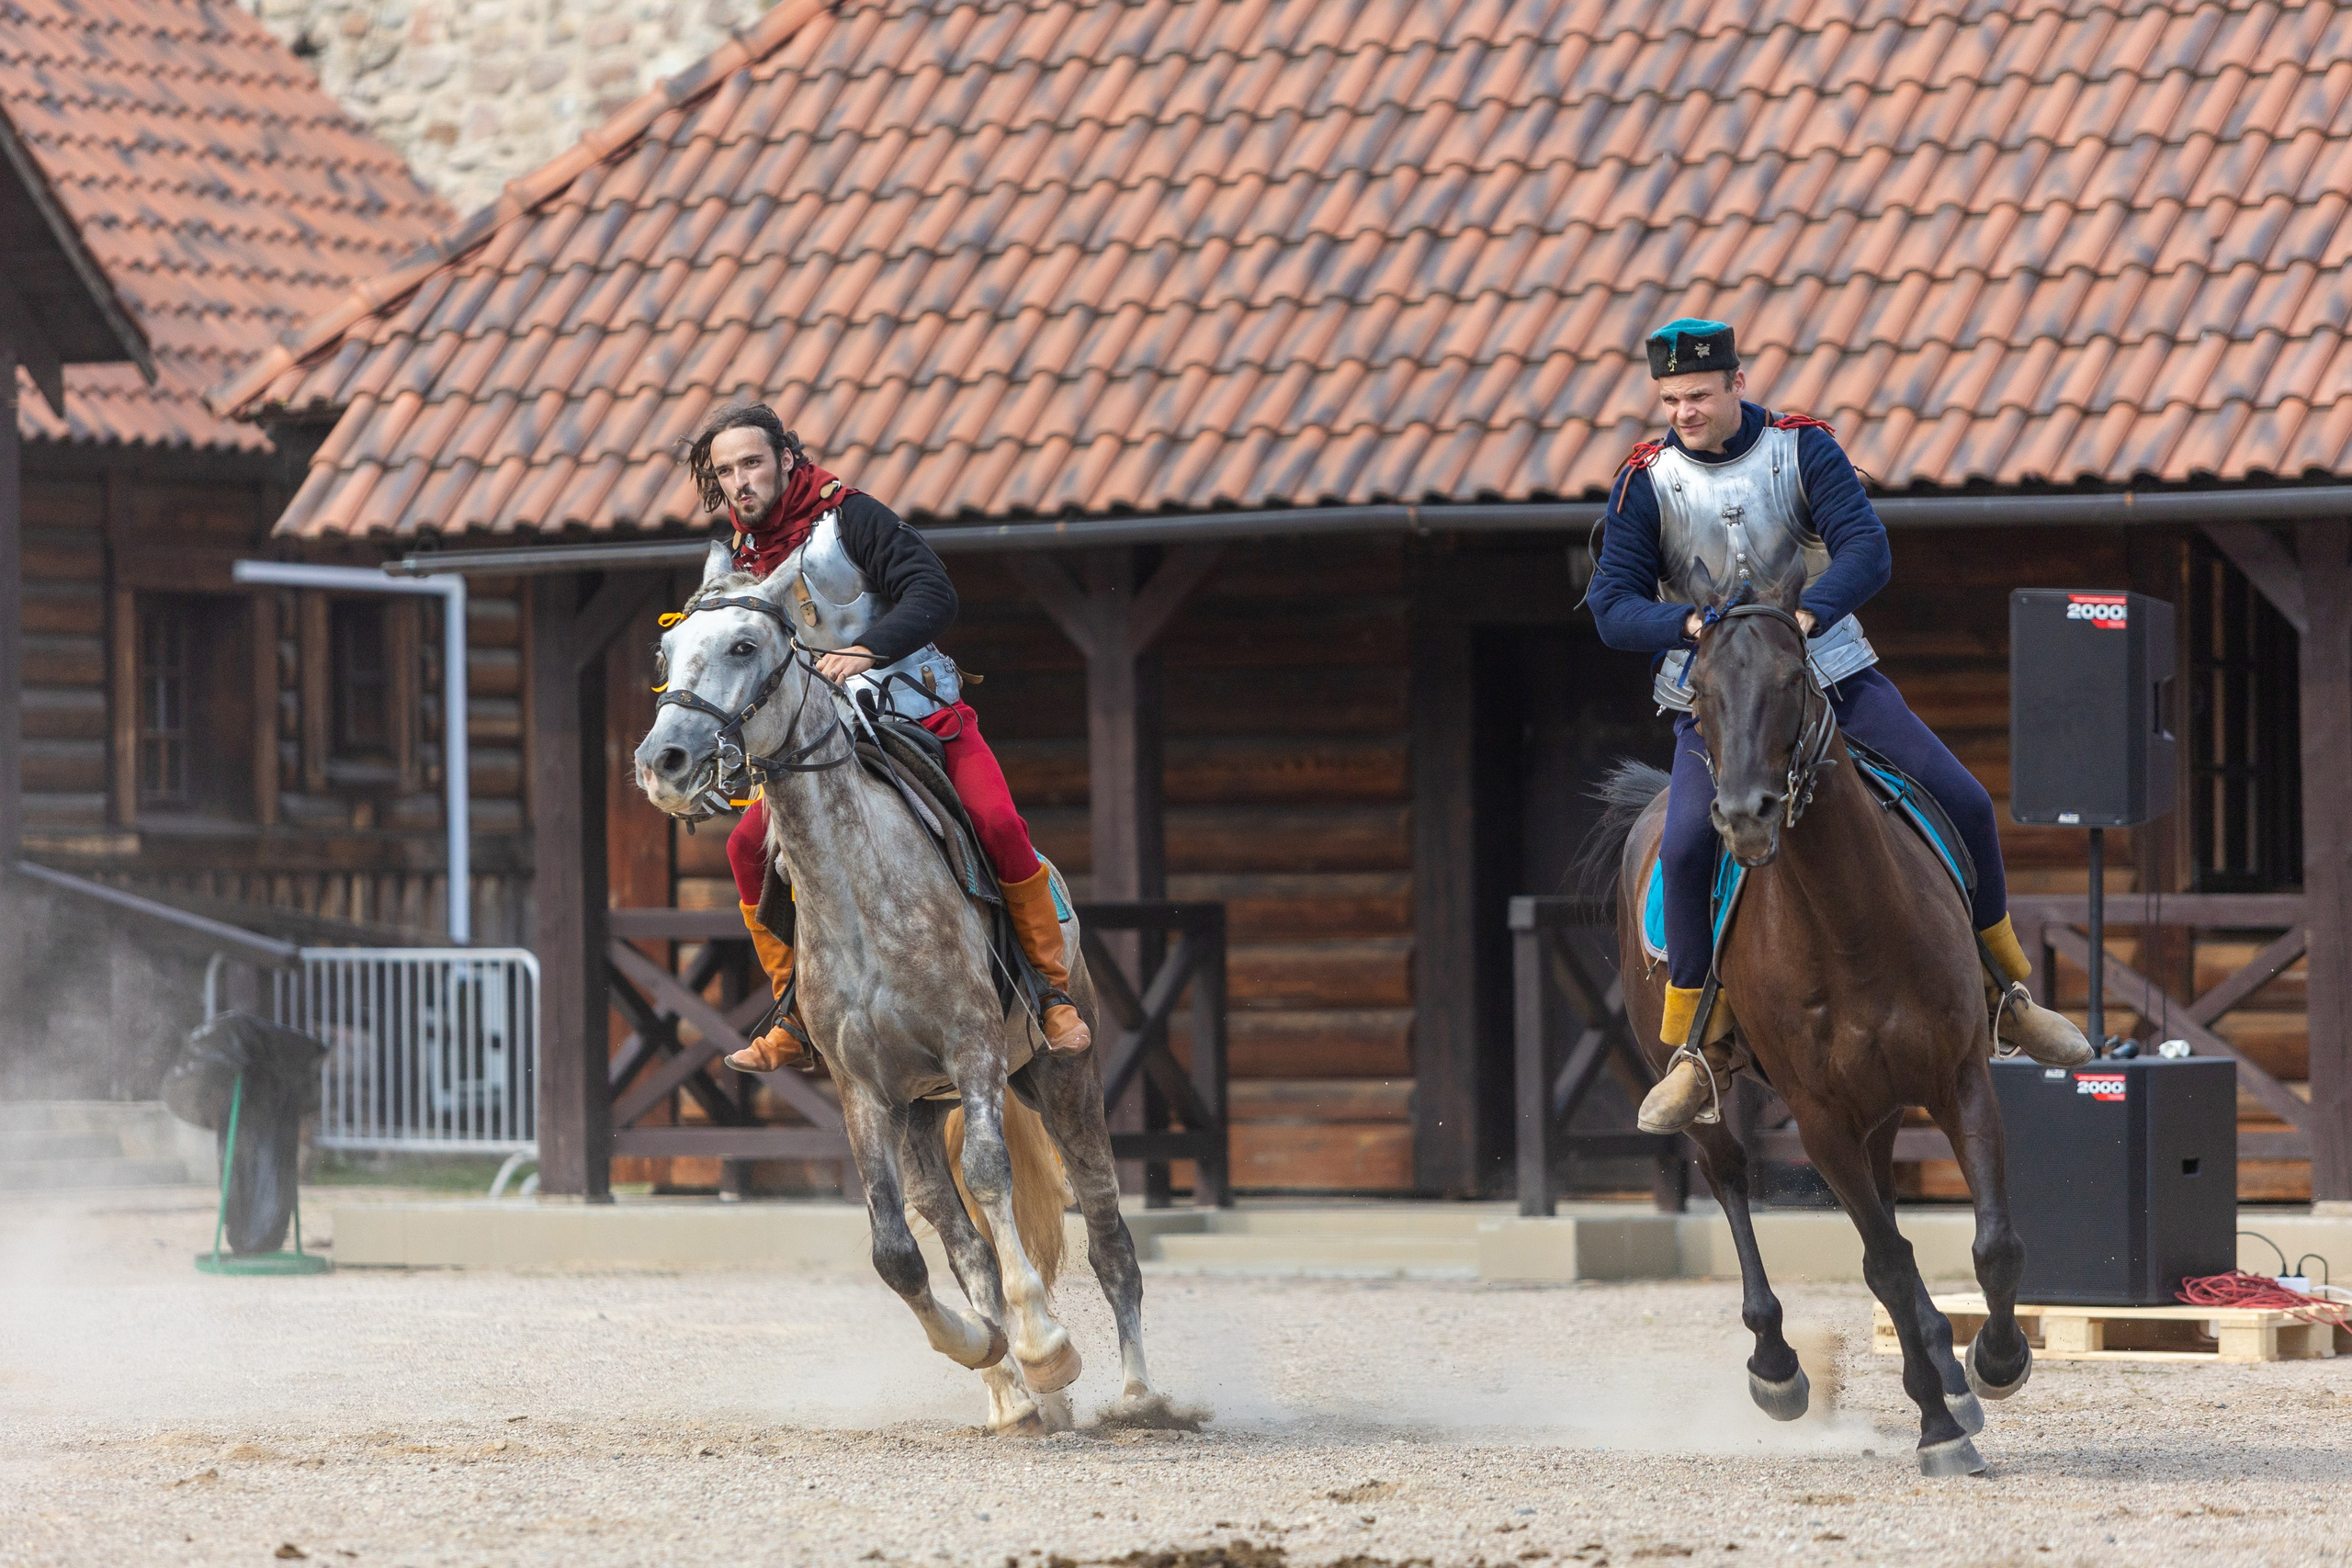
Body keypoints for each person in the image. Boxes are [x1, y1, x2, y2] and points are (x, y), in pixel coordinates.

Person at [1588, 319, 2092, 1134]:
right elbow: (1612, 606)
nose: (1683, 412)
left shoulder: (1803, 449)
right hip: (1716, 706)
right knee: (1682, 849)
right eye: (1671, 398)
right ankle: (1697, 1049)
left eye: (1699, 396)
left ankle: (2009, 996)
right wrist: (1688, 629)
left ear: (1737, 384)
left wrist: (1808, 614)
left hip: (1834, 676)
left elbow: (1867, 547)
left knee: (1964, 800)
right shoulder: (1645, 482)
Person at [680, 403, 1091, 1070]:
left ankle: (1050, 992)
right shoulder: (740, 560)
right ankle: (794, 1012)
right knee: (744, 847)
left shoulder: (854, 518)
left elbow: (935, 593)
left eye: (751, 463)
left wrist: (869, 648)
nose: (738, 481)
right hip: (821, 744)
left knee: (1000, 823)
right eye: (725, 471)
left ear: (787, 458)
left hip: (919, 716)